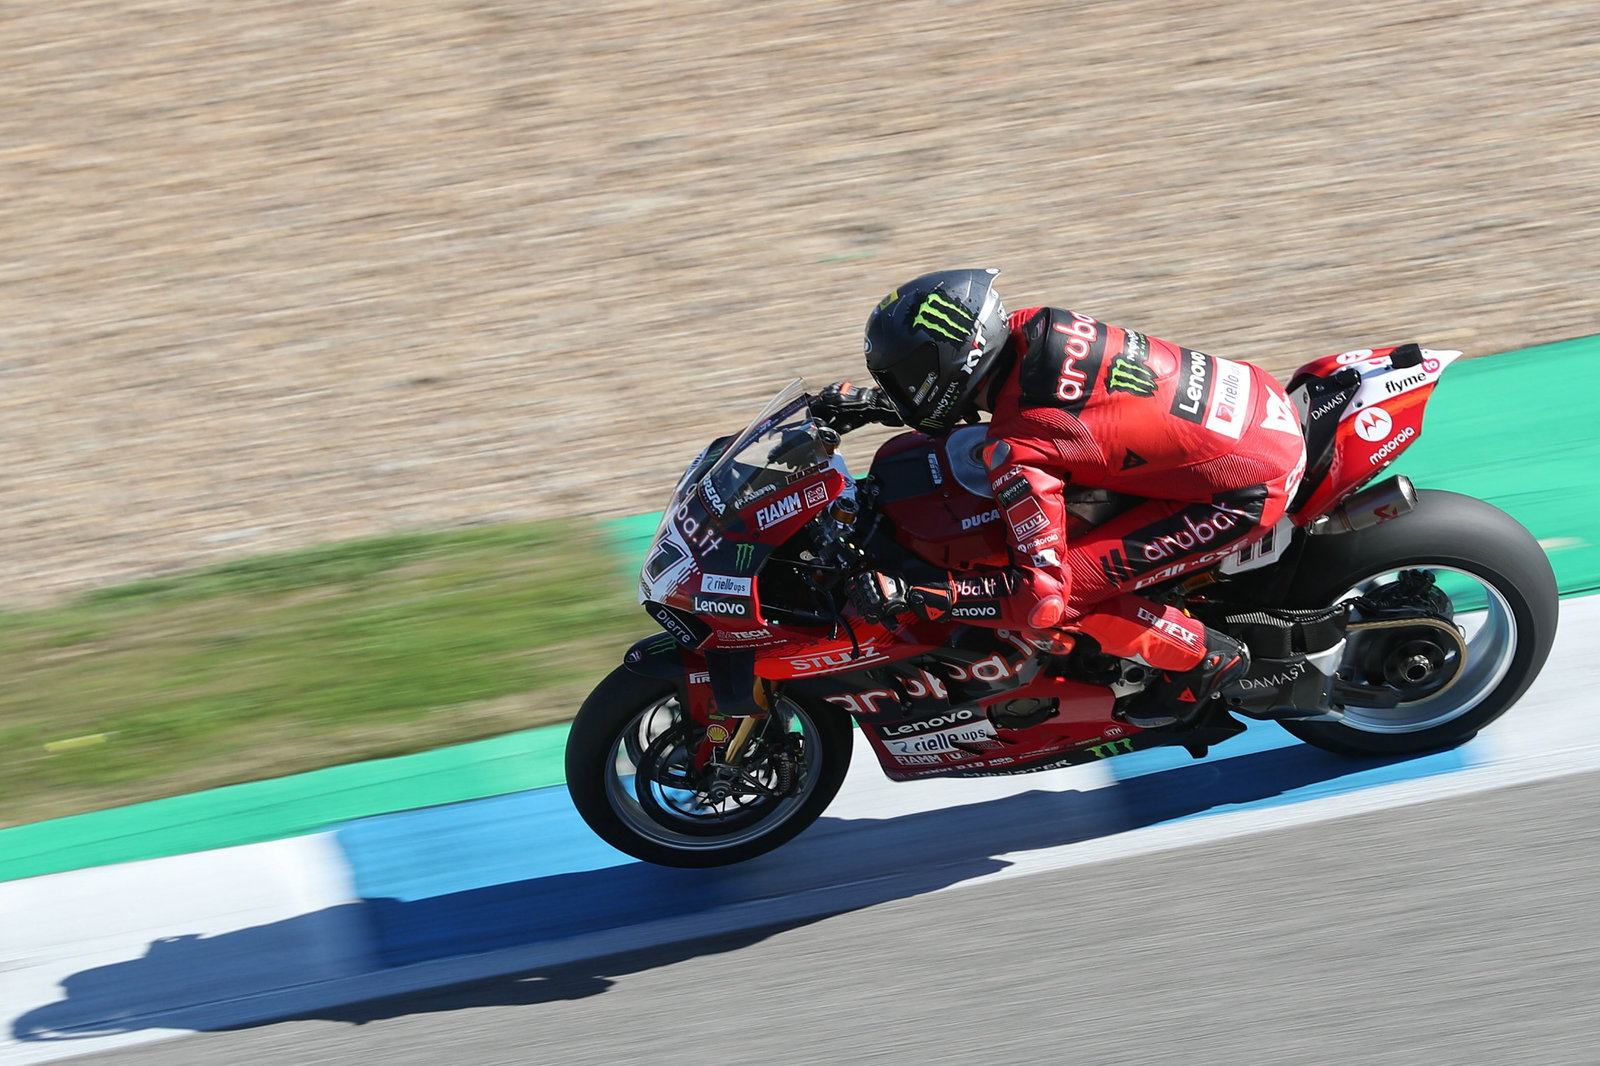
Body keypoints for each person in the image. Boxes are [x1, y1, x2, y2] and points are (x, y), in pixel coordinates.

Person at [813, 268, 1307, 728]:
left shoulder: (1022, 448)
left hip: (1245, 487)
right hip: (1254, 402)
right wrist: (879, 405)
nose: (898, 391)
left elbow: (1040, 598)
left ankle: (1203, 658)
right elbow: (1012, 399)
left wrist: (917, 595)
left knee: (1067, 597)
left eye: (903, 379)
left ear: (948, 361)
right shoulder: (1034, 326)